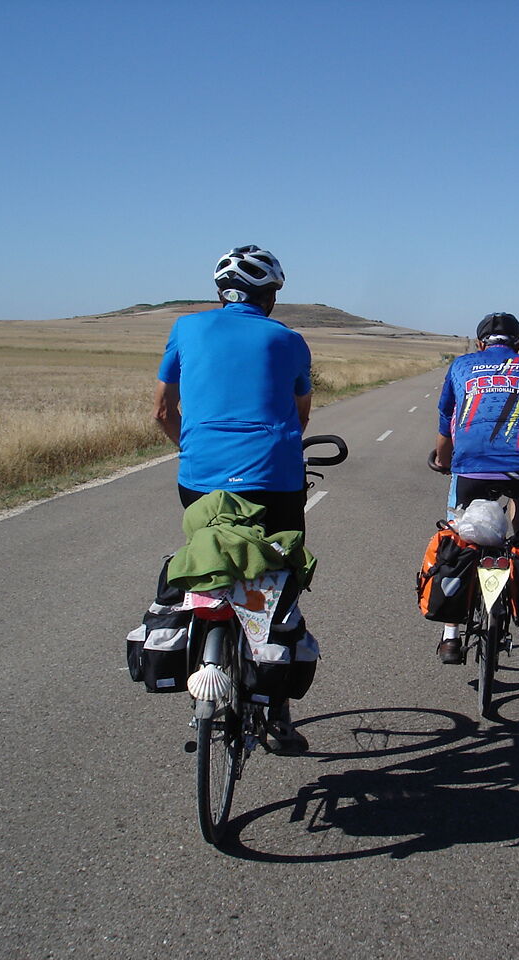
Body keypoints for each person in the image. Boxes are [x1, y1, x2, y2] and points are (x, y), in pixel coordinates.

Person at [153, 245, 314, 753]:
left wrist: (194, 451)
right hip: (273, 479)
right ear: (269, 296)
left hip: (200, 479)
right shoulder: (288, 340)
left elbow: (162, 412)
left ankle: (198, 638)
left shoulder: (185, 328)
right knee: (280, 571)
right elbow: (300, 416)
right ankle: (277, 710)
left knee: (210, 551)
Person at [432, 311, 519, 664]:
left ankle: (451, 636)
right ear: (518, 344)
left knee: (458, 536)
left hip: (471, 466)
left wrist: (443, 460)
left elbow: (446, 420)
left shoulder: (461, 365)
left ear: (480, 343)